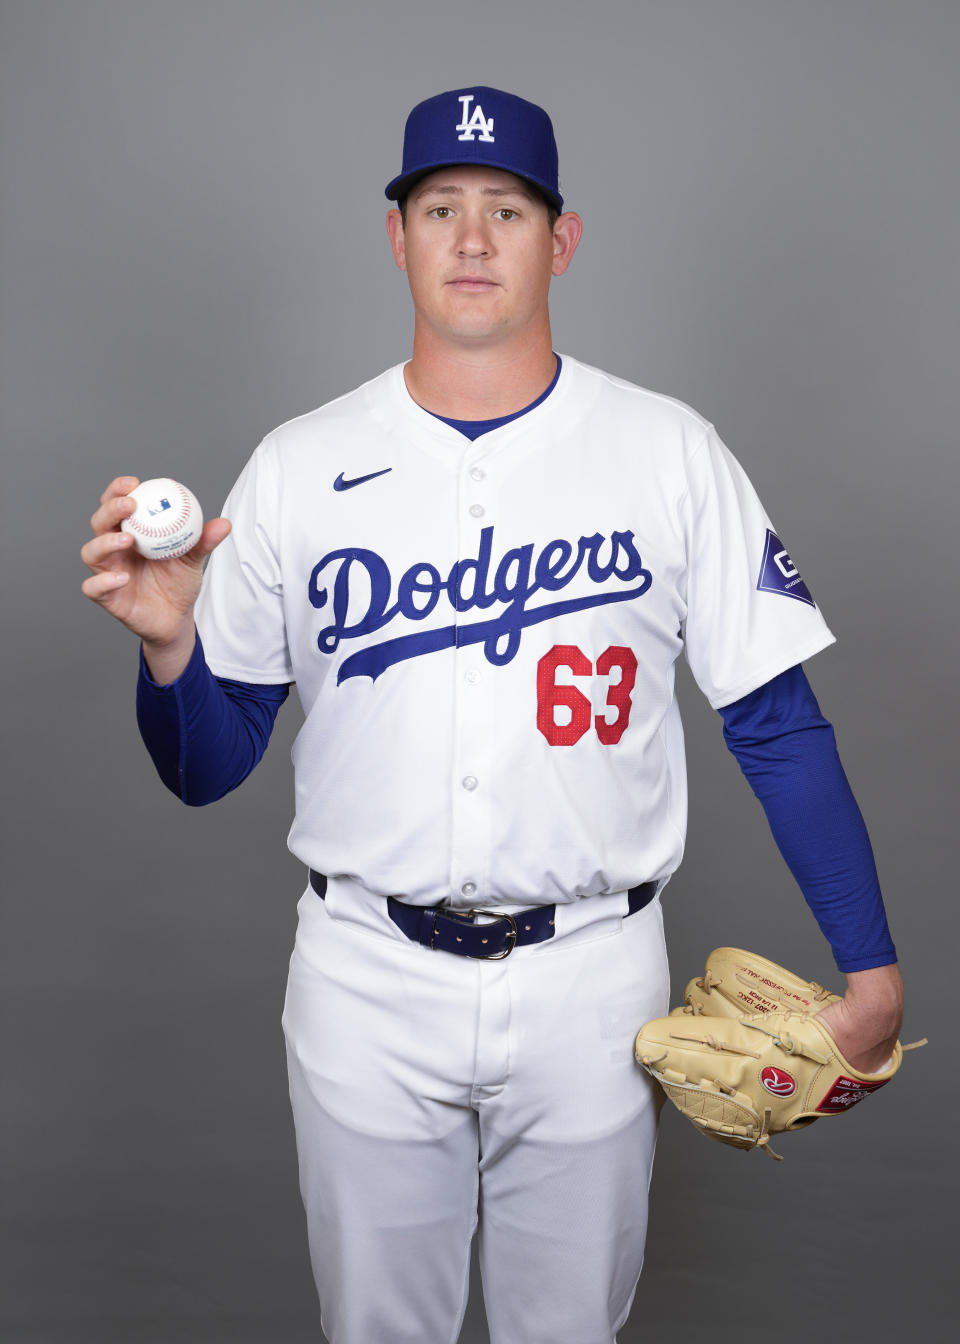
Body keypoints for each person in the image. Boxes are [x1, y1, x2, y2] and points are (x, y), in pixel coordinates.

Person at [81, 86, 903, 1344]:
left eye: (506, 210)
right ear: (396, 236)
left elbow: (777, 722)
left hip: (593, 980)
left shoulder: (667, 450)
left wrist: (872, 969)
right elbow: (209, 766)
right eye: (441, 208)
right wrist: (173, 650)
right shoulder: (300, 464)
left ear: (559, 240)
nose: (471, 238)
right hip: (365, 978)